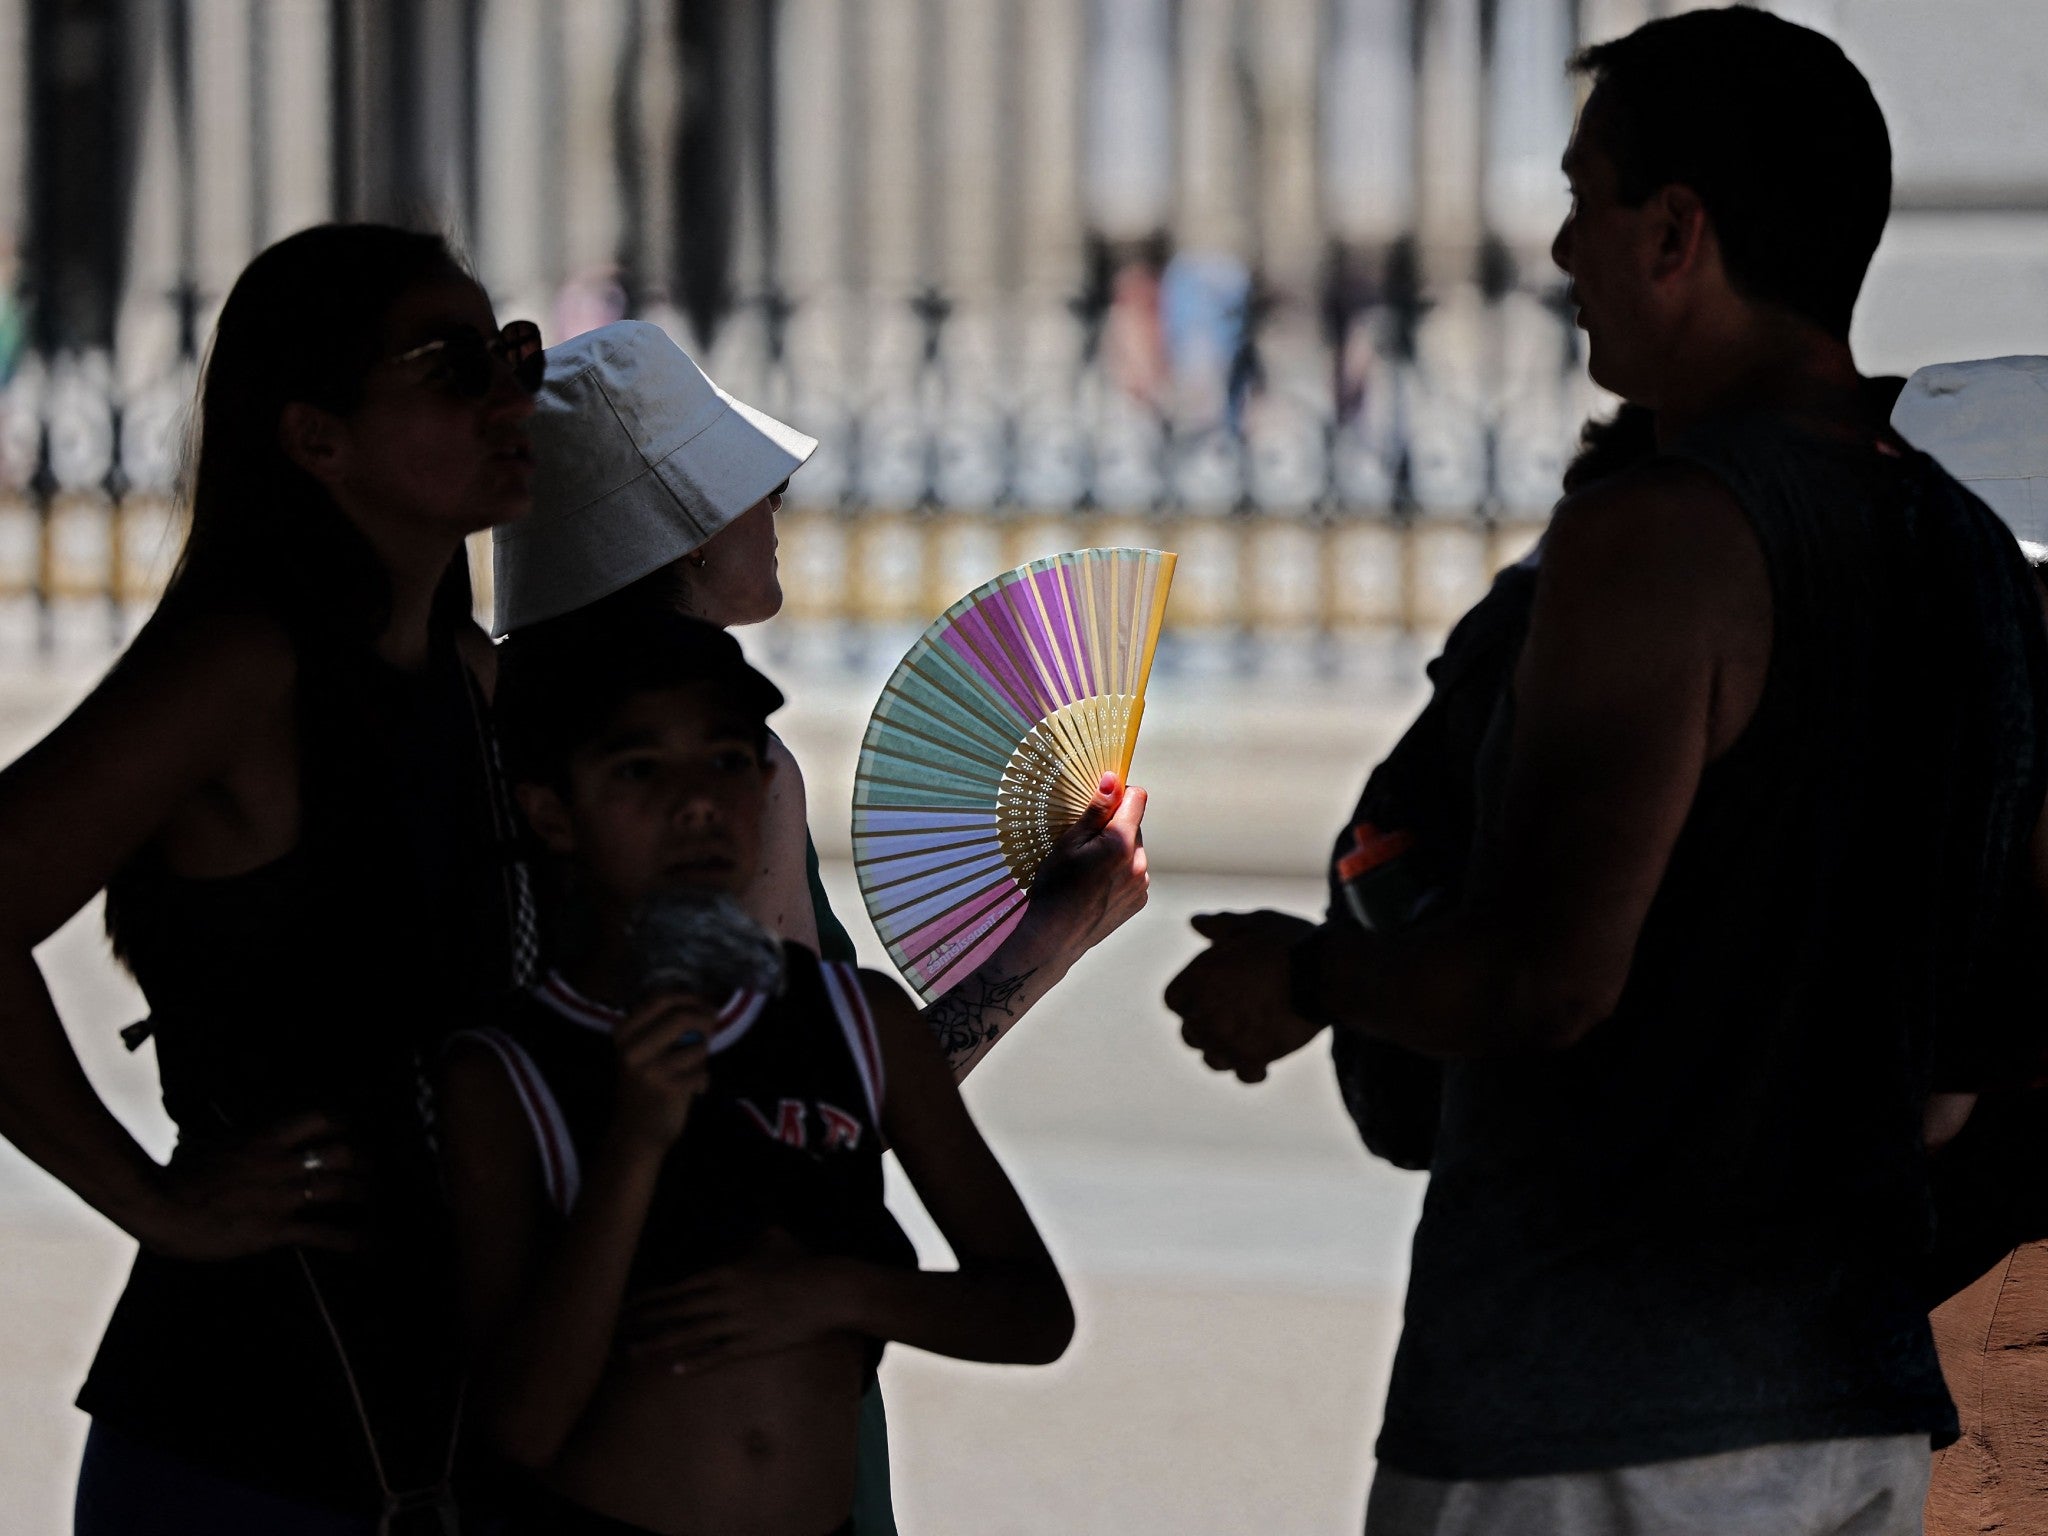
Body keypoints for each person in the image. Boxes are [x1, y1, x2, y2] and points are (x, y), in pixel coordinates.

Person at [1166, 11, 2048, 1536]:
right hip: (1852, 1411)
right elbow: (1956, 1087)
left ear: (1675, 230)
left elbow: (1547, 982)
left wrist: (1305, 978)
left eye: (1586, 198)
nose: (1562, 248)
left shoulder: (1664, 536)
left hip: (1589, 1426)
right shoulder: (1974, 556)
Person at [492, 320, 1149, 1533]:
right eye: (746, 484)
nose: (778, 497)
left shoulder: (488, 736)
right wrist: (1053, 930)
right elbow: (813, 1094)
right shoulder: (742, 783)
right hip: (751, 1380)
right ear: (683, 531)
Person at [0, 224, 540, 1532]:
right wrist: (147, 1197)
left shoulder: (469, 685)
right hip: (239, 1429)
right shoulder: (245, 669)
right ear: (314, 437)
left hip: (443, 1427)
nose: (509, 397)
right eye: (447, 364)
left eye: (511, 354)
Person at [443, 606, 1072, 1536]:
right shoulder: (509, 1071)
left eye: (730, 761)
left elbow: (1033, 1315)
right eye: (638, 771)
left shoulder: (859, 1022)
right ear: (551, 813)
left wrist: (836, 1292)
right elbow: (519, 1430)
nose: (697, 802)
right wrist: (635, 1143)